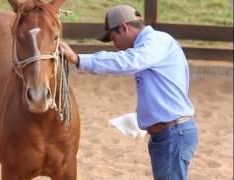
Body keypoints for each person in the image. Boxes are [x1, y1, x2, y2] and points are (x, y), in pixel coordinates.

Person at [59, 4, 198, 180]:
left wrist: (79, 59)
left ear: (124, 27)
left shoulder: (156, 41)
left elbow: (129, 61)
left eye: (113, 38)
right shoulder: (155, 44)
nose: (116, 45)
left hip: (172, 132)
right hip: (170, 132)